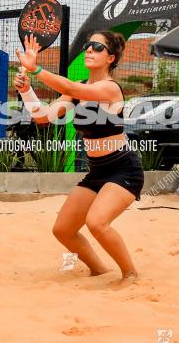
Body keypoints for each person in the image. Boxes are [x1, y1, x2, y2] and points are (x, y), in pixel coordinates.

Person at [14, 31, 143, 284]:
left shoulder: (110, 88)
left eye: (97, 46)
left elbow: (71, 87)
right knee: (62, 229)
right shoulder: (79, 90)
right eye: (87, 46)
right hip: (97, 172)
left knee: (97, 223)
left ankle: (130, 274)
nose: (89, 50)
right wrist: (27, 91)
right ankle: (99, 270)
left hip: (123, 170)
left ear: (111, 58)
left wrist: (36, 69)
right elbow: (44, 117)